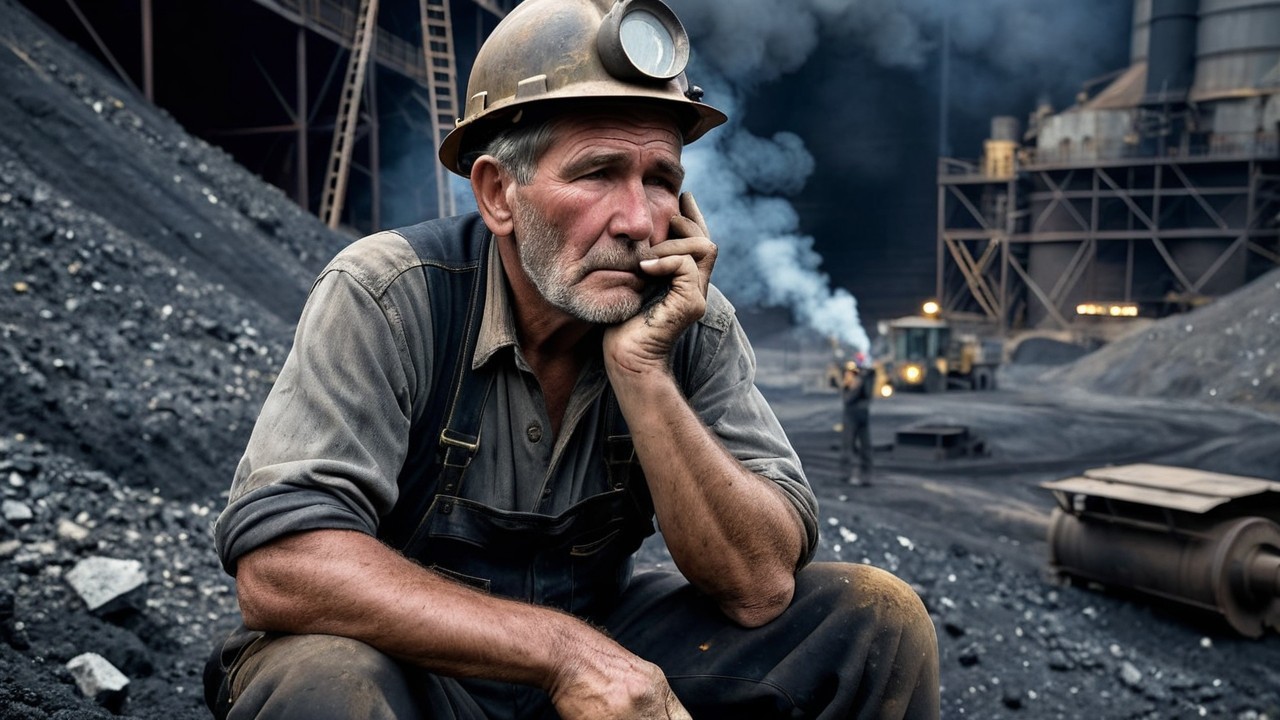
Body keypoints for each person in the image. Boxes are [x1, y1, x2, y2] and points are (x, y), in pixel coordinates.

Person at [203, 0, 939, 717]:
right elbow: (283, 565)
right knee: (328, 678)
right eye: (596, 173)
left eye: (661, 181)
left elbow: (760, 587)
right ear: (497, 193)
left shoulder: (690, 324)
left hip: (597, 648)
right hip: (414, 670)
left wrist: (645, 375)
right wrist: (565, 654)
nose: (639, 221)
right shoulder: (391, 295)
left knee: (874, 617)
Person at [840, 359, 875, 485]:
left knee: (866, 447)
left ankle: (866, 477)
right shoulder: (849, 382)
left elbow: (868, 394)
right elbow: (848, 399)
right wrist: (856, 384)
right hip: (851, 416)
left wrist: (863, 380)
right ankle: (846, 474)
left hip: (862, 416)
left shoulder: (867, 379)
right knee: (847, 446)